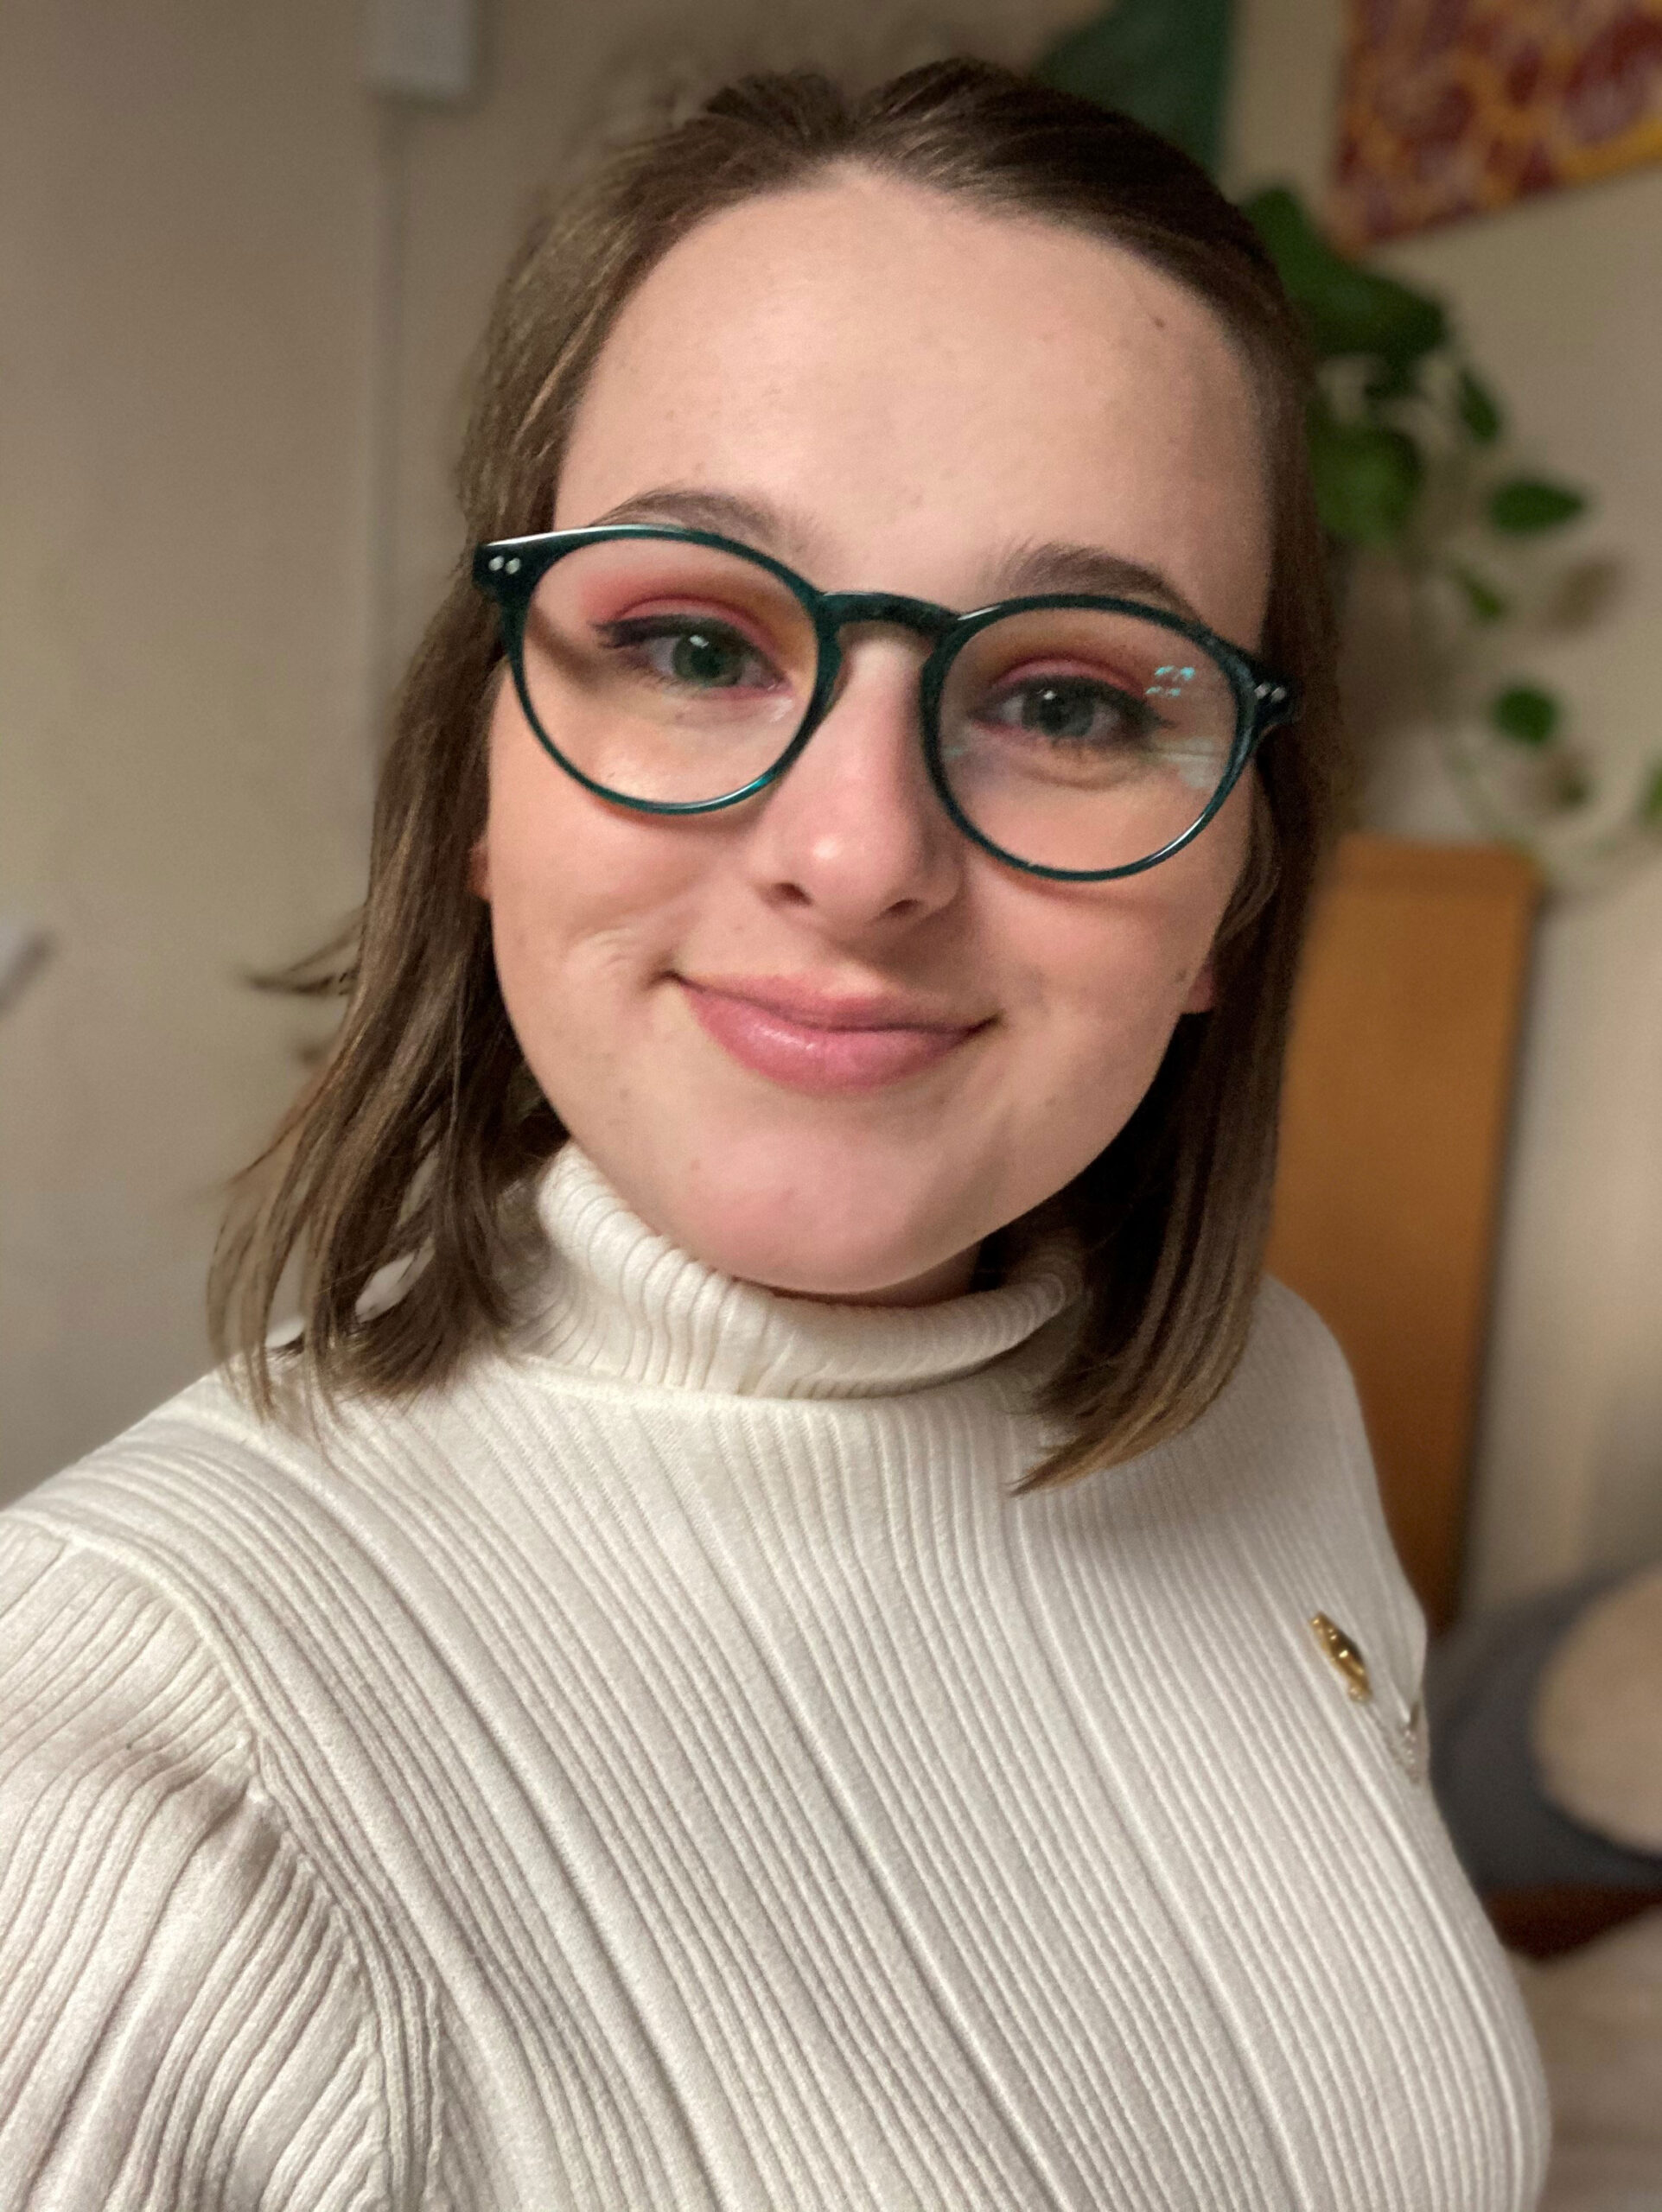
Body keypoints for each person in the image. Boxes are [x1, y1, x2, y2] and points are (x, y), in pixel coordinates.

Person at [0, 60, 1547, 2212]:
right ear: (479, 785)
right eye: (694, 641)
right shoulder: (123, 1750)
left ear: (1233, 891)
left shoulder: (1268, 1405)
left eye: (1069, 700)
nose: (859, 851)